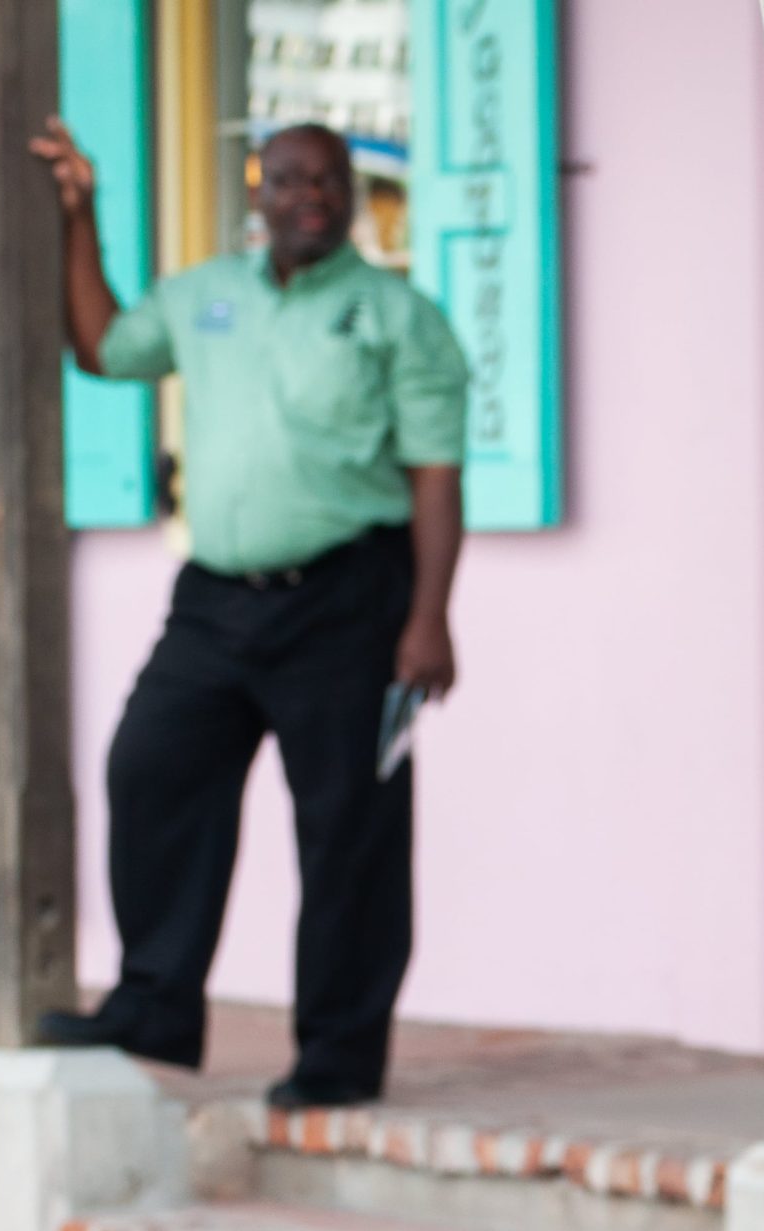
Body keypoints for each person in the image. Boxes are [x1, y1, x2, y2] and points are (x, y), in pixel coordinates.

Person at [25, 119, 468, 1109]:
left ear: (352, 195)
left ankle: (339, 1058)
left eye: (331, 179)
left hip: (351, 601)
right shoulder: (204, 295)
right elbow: (102, 346)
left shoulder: (398, 315)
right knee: (149, 765)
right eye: (292, 178)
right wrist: (79, 215)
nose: (311, 194)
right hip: (214, 602)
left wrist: (429, 618)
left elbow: (438, 477)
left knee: (349, 830)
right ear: (259, 191)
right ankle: (155, 1003)